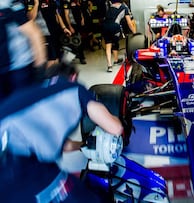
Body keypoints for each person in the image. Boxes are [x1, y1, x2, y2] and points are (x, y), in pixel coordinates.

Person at [0, 62, 123, 202]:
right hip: (16, 167)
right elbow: (115, 128)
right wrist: (117, 121)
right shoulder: (73, 88)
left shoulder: (37, 92)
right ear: (73, 76)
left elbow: (64, 146)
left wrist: (84, 144)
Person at [0, 0, 47, 101]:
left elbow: (34, 34)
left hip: (17, 70)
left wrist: (40, 70)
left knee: (24, 107)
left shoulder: (6, 3)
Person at [102, 0, 136, 72]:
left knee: (108, 45)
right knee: (115, 43)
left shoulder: (110, 6)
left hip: (105, 26)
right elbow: (129, 23)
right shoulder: (124, 7)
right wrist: (135, 33)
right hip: (114, 26)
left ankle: (109, 66)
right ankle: (116, 60)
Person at [60, 0, 87, 64]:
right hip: (72, 24)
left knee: (79, 41)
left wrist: (82, 18)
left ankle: (79, 56)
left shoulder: (76, 1)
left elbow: (80, 11)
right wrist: (70, 26)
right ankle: (80, 58)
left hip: (78, 24)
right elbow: (66, 15)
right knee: (73, 42)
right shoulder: (66, 3)